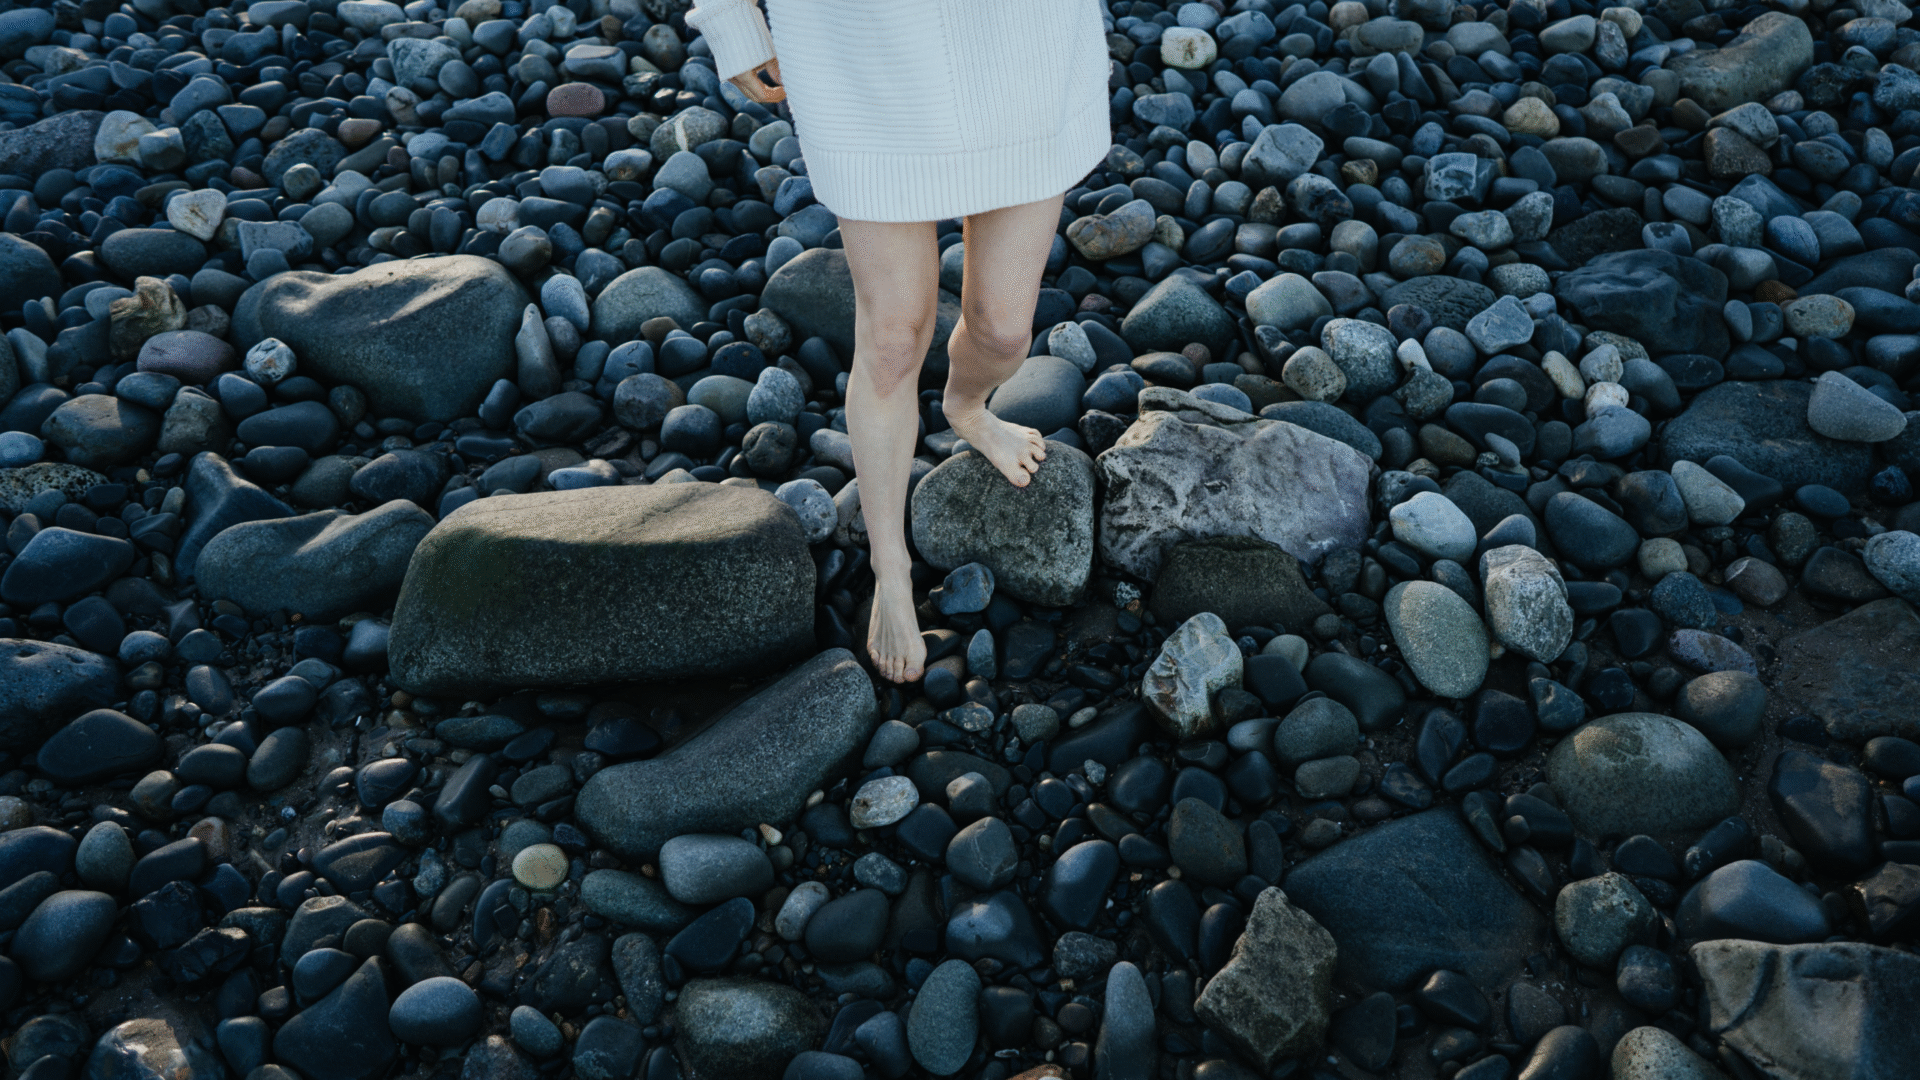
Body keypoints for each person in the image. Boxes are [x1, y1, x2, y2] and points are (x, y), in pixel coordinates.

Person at [684, 0, 1113, 684]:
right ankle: (890, 564)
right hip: (859, 47)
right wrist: (731, 16)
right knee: (890, 339)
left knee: (1004, 332)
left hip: (1021, 43)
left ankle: (967, 406)